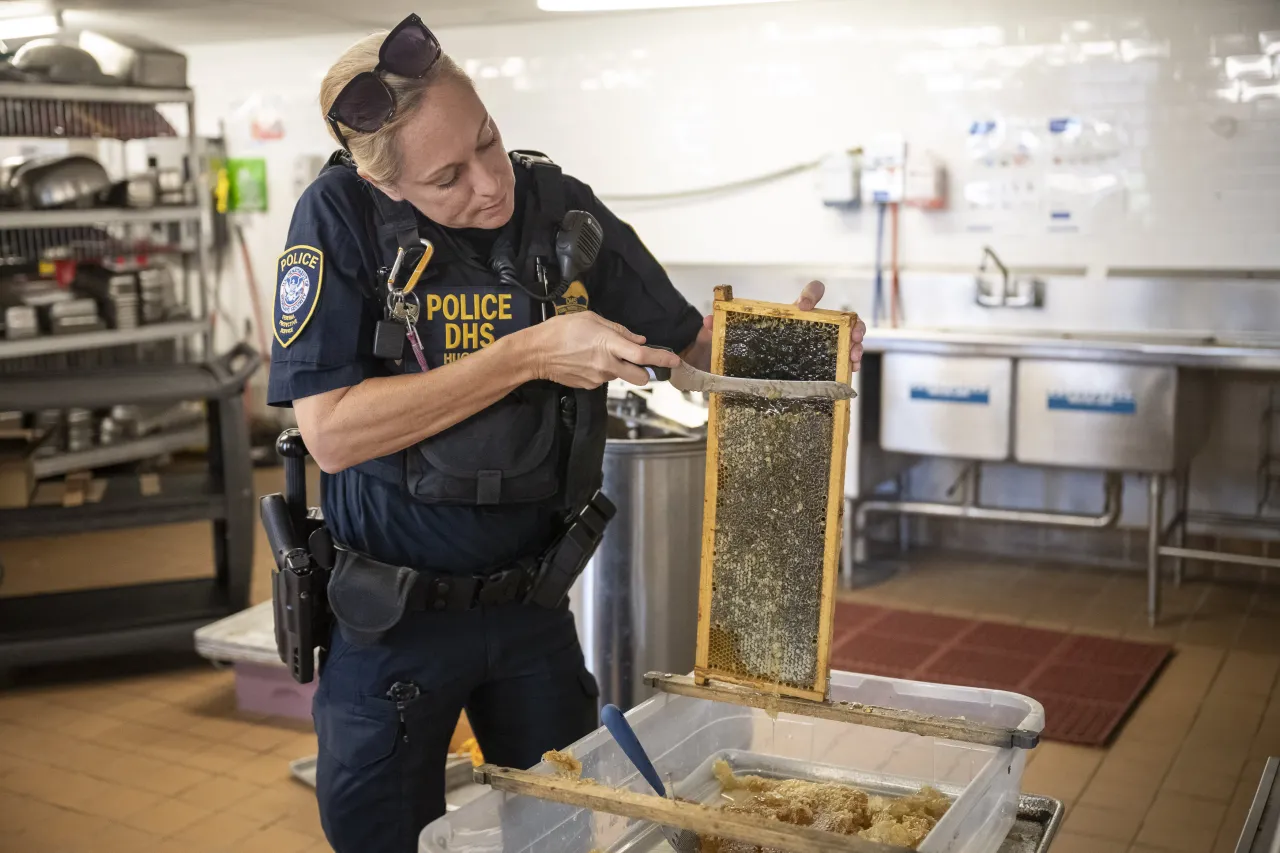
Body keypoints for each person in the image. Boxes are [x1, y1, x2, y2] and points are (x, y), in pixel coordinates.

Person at [268, 13, 867, 853]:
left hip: (534, 609)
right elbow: (330, 432)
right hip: (394, 621)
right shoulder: (341, 217)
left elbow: (686, 343)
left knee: (554, 834)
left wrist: (791, 344)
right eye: (449, 175)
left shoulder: (557, 205)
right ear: (389, 185)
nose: (488, 182)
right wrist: (525, 355)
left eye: (489, 139)